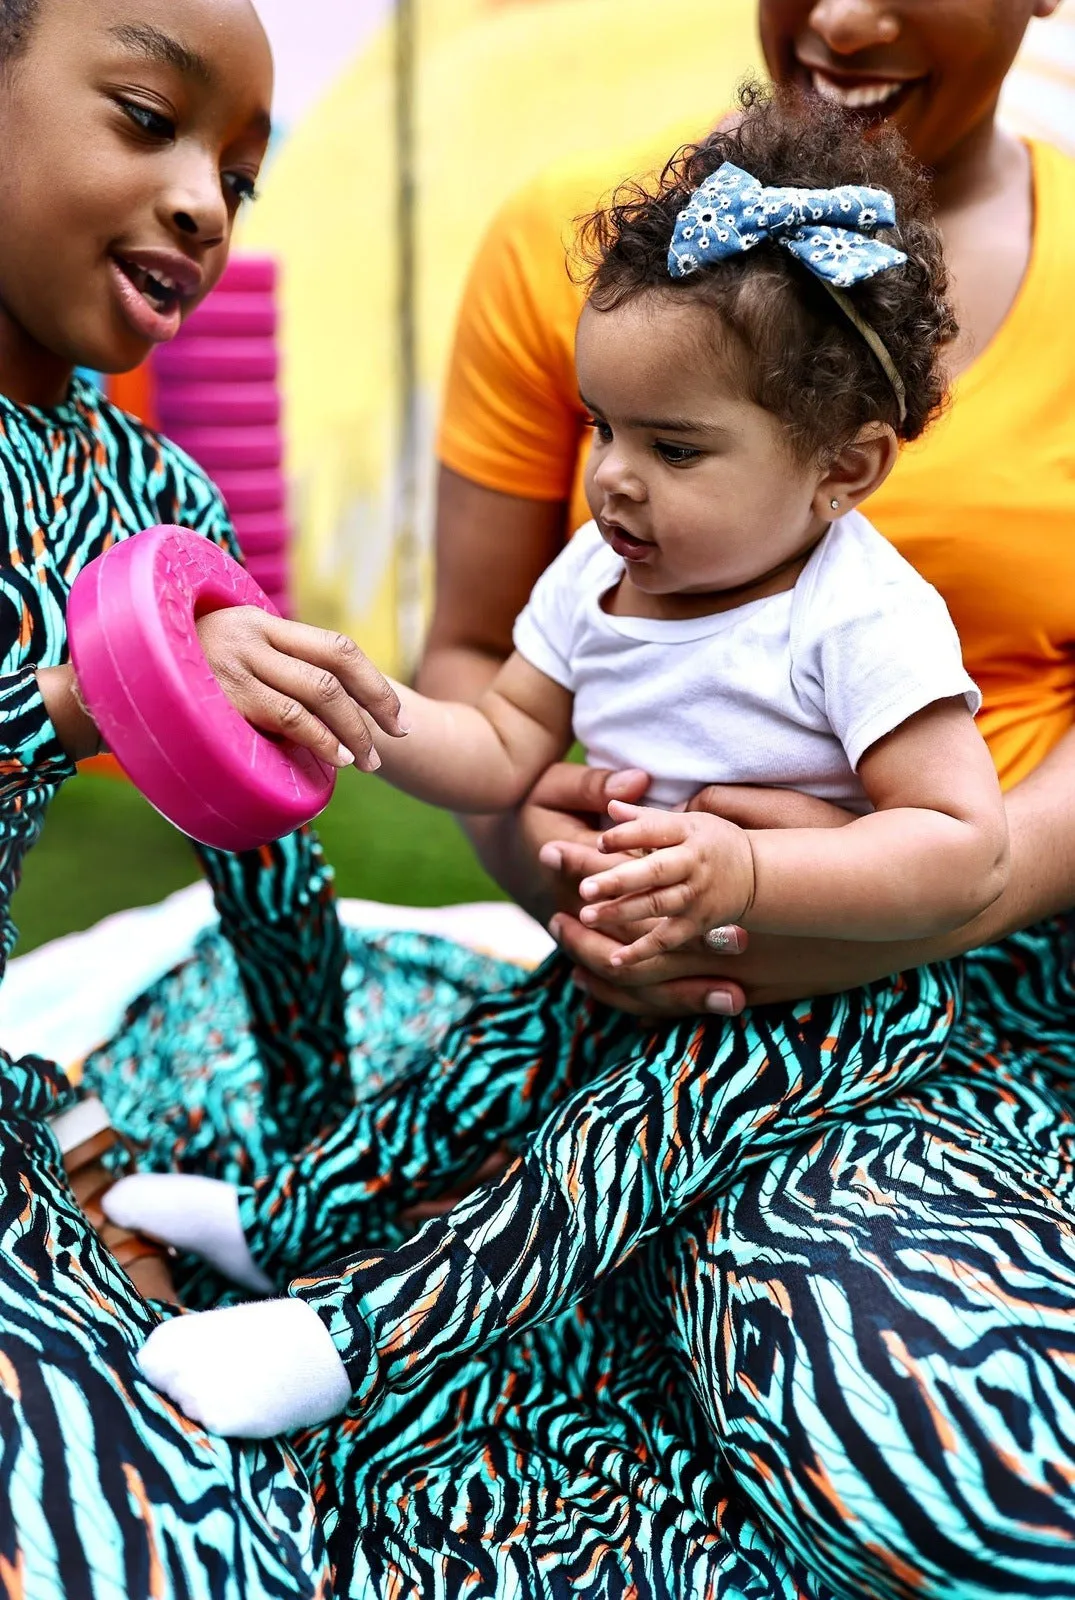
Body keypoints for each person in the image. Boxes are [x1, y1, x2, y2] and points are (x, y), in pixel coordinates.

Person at [77, 2, 1075, 1598]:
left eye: (671, 447)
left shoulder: (858, 614)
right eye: (603, 425)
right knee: (480, 1069)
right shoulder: (603, 572)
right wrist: (371, 714)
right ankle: (289, 1215)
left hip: (832, 1002)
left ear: (840, 470)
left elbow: (956, 842)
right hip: (626, 942)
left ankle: (358, 1334)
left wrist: (751, 871)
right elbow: (503, 743)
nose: (611, 478)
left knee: (591, 1158)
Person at [0, 0, 408, 1592]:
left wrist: (321, 1154)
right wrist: (62, 706)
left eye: (240, 174)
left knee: (204, 1485)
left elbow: (256, 840)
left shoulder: (150, 493)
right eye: (145, 119)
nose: (203, 204)